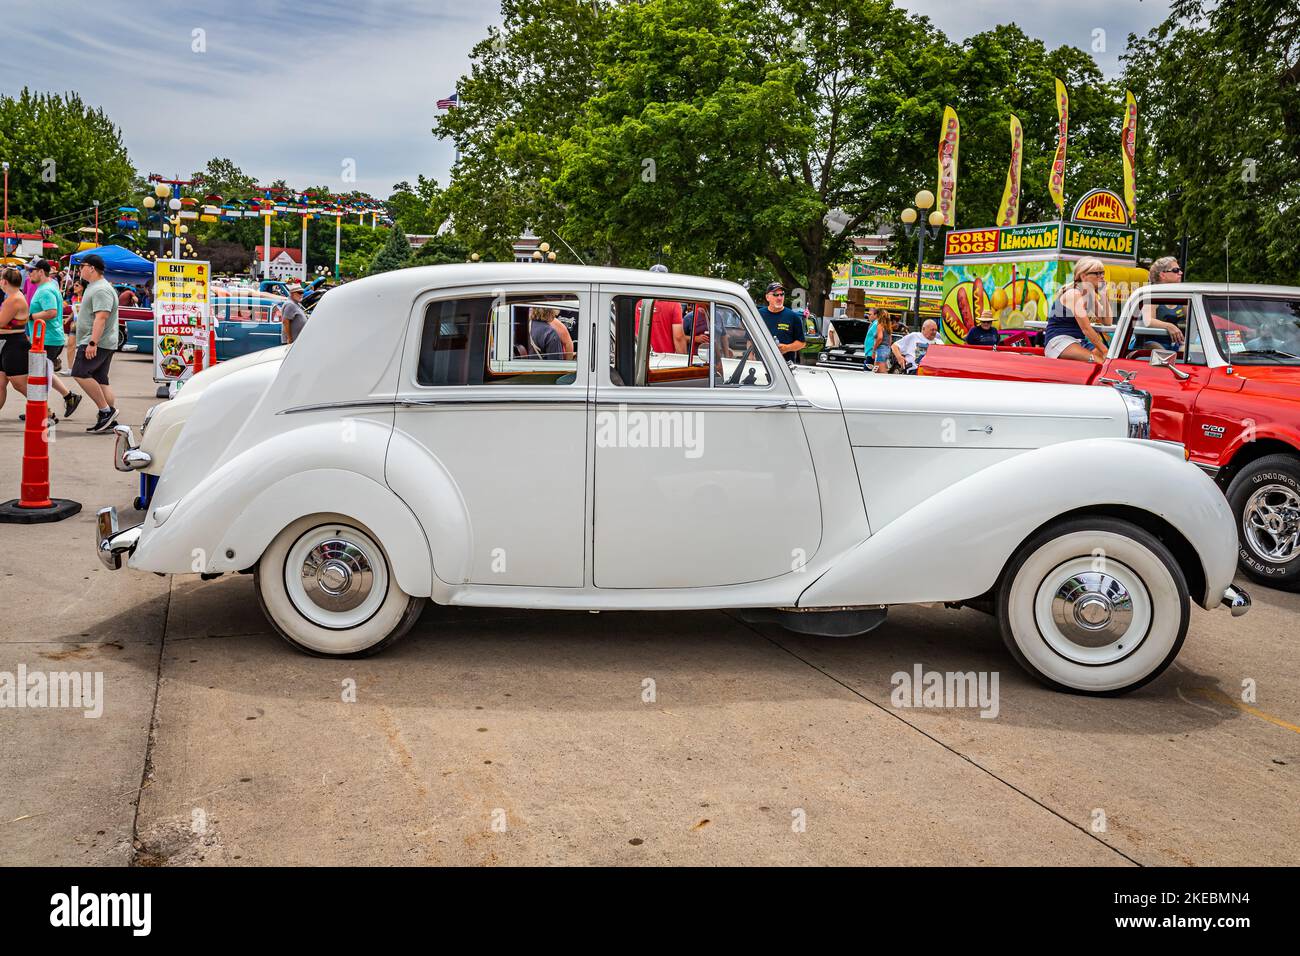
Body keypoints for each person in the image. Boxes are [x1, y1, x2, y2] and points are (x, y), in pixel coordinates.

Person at [13, 260, 78, 418]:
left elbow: (51, 312)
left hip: (47, 339)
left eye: (32, 271)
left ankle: (42, 411)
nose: (29, 274)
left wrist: (30, 316)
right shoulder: (47, 287)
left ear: (41, 272)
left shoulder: (46, 290)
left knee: (38, 376)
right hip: (47, 337)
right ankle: (67, 398)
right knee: (42, 373)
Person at [73, 253, 121, 433]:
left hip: (96, 341)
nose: (80, 269)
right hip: (102, 341)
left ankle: (106, 412)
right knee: (101, 380)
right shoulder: (96, 287)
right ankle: (110, 419)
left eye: (82, 266)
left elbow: (101, 317)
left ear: (92, 268)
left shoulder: (101, 289)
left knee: (80, 373)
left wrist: (92, 342)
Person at [1044, 257, 1112, 362]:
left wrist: (1103, 295)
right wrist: (1105, 351)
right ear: (1083, 276)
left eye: (1102, 273)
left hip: (1078, 341)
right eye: (1097, 273)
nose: (1102, 276)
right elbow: (1086, 329)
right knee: (1100, 361)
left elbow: (1107, 322)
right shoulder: (1074, 294)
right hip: (1060, 341)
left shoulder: (1089, 296)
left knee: (1105, 358)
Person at [0, 268, 33, 414]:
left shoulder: (13, 300)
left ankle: (47, 412)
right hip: (7, 342)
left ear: (5, 281)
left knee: (19, 383)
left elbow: (1, 322)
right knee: (0, 382)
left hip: (14, 344)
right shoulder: (14, 296)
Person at [1141, 255, 1186, 347]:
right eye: (1176, 270)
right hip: (1149, 344)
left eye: (1180, 270)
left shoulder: (1182, 295)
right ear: (1162, 275)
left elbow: (1193, 318)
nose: (1181, 273)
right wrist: (1169, 326)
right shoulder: (1152, 294)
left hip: (1173, 343)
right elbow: (1148, 320)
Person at [756, 281, 806, 362]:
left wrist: (787, 348)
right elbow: (749, 340)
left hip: (784, 365)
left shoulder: (793, 316)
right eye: (775, 294)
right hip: (762, 363)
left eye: (782, 294)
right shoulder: (758, 314)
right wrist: (751, 358)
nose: (779, 298)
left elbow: (802, 343)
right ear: (767, 297)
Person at [862, 308, 894, 373]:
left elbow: (879, 338)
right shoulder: (887, 326)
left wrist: (874, 350)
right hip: (886, 349)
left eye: (870, 314)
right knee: (879, 371)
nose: (868, 316)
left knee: (879, 373)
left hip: (879, 350)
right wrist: (888, 348)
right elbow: (890, 339)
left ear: (878, 315)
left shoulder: (879, 325)